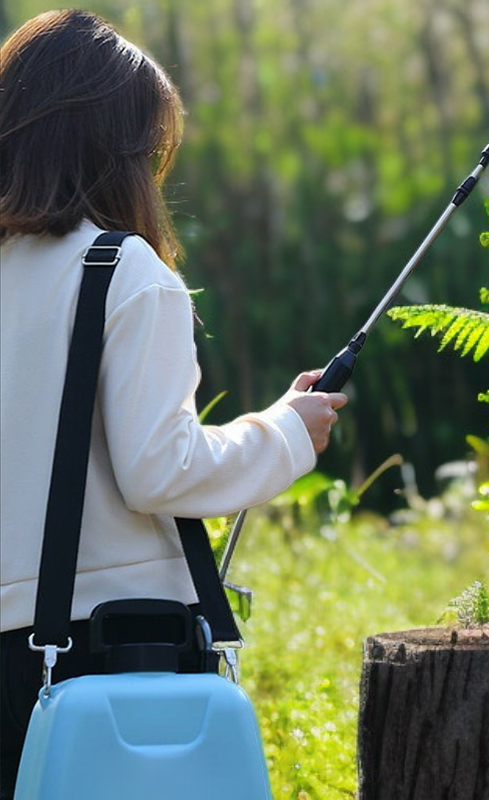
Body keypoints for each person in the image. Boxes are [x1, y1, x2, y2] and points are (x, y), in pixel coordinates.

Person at [0, 10, 348, 796]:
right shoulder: (122, 272)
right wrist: (286, 433)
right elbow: (160, 470)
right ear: (116, 150)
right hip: (111, 653)